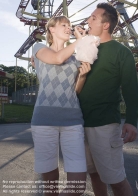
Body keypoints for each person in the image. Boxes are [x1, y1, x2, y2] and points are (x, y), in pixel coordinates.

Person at [78, 2, 138, 196]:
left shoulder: (121, 52)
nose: (88, 20)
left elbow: (131, 89)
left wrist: (131, 121)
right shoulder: (84, 48)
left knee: (116, 180)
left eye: (93, 18)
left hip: (104, 125)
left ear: (106, 25)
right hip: (78, 124)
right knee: (94, 174)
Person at [31, 15, 91, 196]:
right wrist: (81, 41)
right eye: (64, 25)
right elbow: (57, 58)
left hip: (72, 121)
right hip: (43, 121)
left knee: (78, 187)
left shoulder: (75, 59)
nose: (69, 28)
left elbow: (75, 91)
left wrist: (82, 76)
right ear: (51, 29)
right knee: (50, 187)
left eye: (70, 26)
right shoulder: (38, 48)